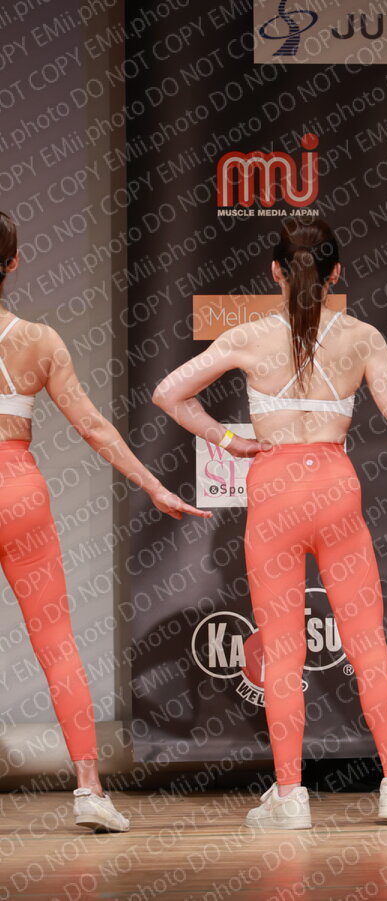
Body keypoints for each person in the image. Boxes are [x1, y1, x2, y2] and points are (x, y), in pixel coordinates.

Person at [153, 215, 387, 829]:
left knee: (282, 652)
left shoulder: (247, 336)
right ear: (337, 272)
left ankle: (290, 796)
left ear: (275, 272)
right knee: (368, 645)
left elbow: (167, 393)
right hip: (335, 488)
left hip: (273, 491)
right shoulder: (363, 337)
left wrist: (228, 440)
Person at [0, 211, 210, 832]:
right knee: (57, 642)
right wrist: (153, 484)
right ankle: (89, 790)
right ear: (13, 263)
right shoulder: (39, 340)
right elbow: (93, 427)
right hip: (19, 492)